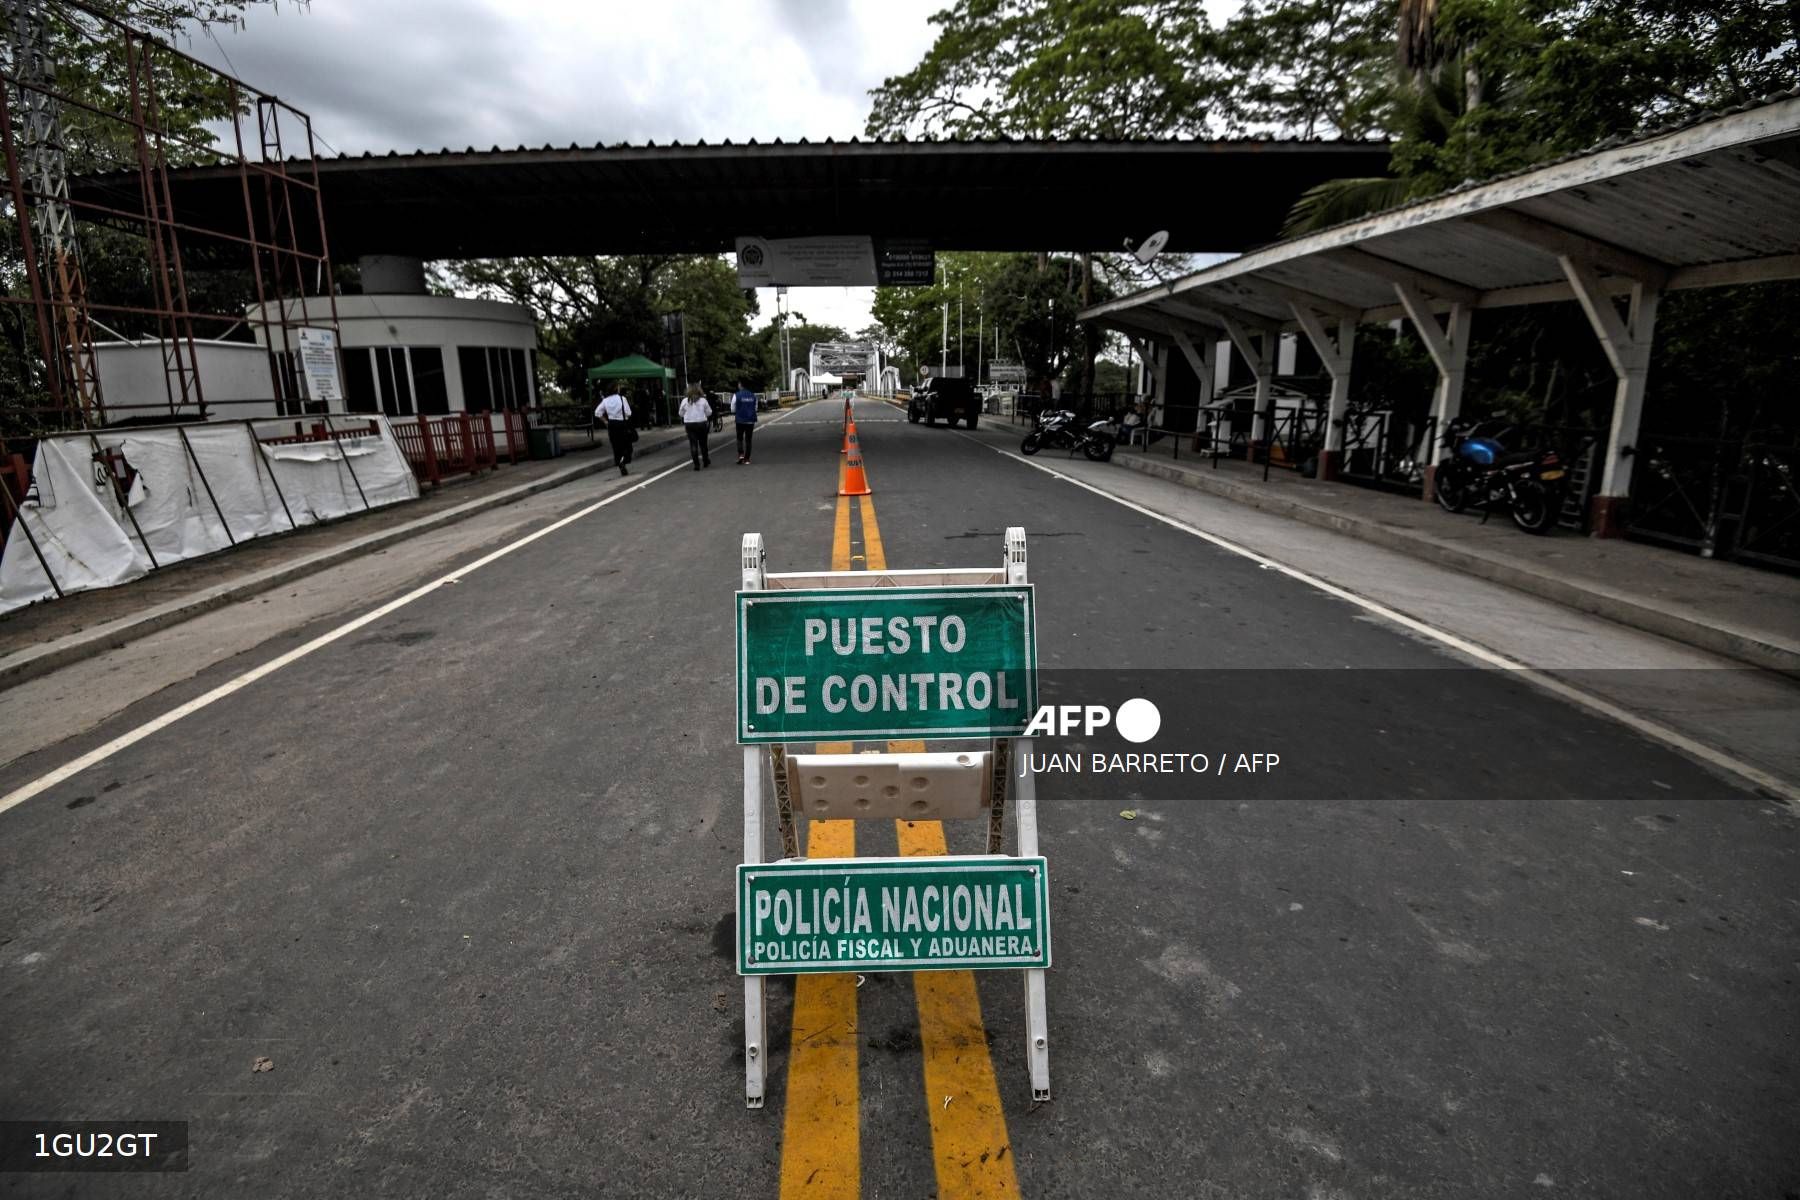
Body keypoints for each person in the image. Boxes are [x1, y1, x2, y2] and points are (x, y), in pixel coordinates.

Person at [595, 381, 634, 475]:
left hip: (611, 424)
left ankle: (619, 462)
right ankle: (624, 460)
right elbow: (628, 413)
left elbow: (597, 412)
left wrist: (605, 421)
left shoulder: (606, 400)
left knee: (616, 446)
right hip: (622, 424)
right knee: (627, 446)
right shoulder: (622, 398)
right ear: (616, 389)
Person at [678, 383, 713, 470]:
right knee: (703, 443)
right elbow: (709, 412)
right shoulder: (703, 400)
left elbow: (680, 413)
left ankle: (696, 464)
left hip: (689, 424)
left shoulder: (685, 401)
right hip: (701, 423)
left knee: (693, 444)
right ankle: (705, 461)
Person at [733, 381, 758, 464]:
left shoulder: (736, 395)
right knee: (748, 440)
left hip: (740, 420)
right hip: (750, 420)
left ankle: (741, 454)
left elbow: (732, 408)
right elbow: (756, 408)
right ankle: (747, 459)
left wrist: (736, 412)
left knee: (739, 438)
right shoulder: (753, 395)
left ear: (740, 385)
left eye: (738, 384)